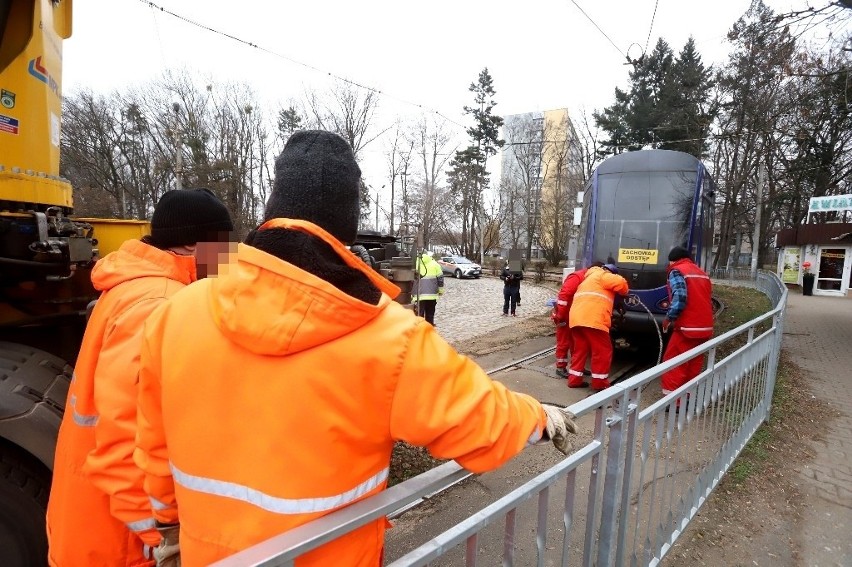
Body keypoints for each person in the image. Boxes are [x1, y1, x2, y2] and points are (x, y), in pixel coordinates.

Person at [134, 130, 577, 566]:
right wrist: (538, 416)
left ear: (274, 205)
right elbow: (477, 418)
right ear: (349, 218)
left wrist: (171, 530)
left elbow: (155, 446)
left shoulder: (176, 314)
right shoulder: (390, 336)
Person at [46, 189, 234, 567]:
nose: (228, 262)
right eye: (224, 249)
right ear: (194, 246)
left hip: (94, 521)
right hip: (121, 543)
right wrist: (163, 541)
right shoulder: (157, 305)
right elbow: (123, 444)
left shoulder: (133, 287)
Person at [660, 246, 714, 398]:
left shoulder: (677, 271)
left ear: (672, 260)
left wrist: (669, 318)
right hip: (705, 327)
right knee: (693, 363)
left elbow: (680, 298)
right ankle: (686, 397)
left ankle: (672, 400)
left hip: (687, 327)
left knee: (674, 362)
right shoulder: (701, 272)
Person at [567, 263, 629, 391]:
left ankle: (574, 380)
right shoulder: (603, 275)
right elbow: (621, 284)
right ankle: (600, 383)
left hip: (576, 319)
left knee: (580, 350)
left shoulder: (588, 279)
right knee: (602, 351)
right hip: (593, 320)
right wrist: (625, 292)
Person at [552, 262, 603, 384]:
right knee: (564, 342)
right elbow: (564, 296)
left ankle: (577, 367)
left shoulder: (588, 278)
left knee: (577, 343)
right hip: (565, 315)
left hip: (576, 315)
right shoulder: (577, 277)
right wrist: (560, 316)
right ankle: (560, 367)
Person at [411, 250, 444, 325]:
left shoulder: (415, 264)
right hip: (432, 295)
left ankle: (420, 330)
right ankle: (429, 329)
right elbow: (440, 279)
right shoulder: (435, 264)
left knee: (419, 315)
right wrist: (440, 291)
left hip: (418, 295)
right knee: (430, 314)